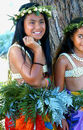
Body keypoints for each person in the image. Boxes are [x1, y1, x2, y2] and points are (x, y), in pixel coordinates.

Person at [5, 2, 57, 130]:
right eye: (32, 22)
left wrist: (45, 82)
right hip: (24, 112)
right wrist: (38, 51)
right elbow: (34, 81)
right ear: (21, 25)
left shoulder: (40, 46)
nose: (38, 26)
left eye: (41, 21)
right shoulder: (16, 50)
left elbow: (49, 79)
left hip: (43, 108)